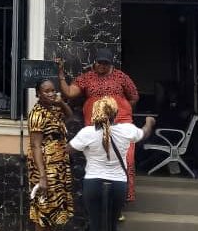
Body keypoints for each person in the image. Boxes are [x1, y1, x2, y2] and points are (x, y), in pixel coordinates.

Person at [56, 49, 140, 204]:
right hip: (96, 125)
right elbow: (69, 93)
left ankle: (121, 200)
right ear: (94, 62)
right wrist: (61, 74)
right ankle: (100, 201)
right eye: (100, 62)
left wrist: (122, 108)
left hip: (120, 123)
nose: (102, 66)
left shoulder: (121, 77)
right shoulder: (87, 77)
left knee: (126, 160)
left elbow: (134, 96)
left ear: (111, 63)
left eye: (106, 63)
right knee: (98, 161)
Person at [69, 97, 155, 231]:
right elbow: (144, 133)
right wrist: (149, 122)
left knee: (95, 224)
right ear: (116, 113)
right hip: (118, 183)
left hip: (93, 183)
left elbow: (69, 149)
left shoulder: (87, 133)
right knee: (112, 224)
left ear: (95, 113)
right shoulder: (127, 130)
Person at [27, 79, 74, 230]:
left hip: (59, 165)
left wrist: (61, 103)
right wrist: (42, 177)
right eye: (46, 91)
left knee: (55, 207)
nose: (51, 93)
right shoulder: (37, 114)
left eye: (53, 90)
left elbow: (70, 115)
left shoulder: (54, 108)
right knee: (44, 209)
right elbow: (35, 146)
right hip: (45, 167)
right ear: (38, 94)